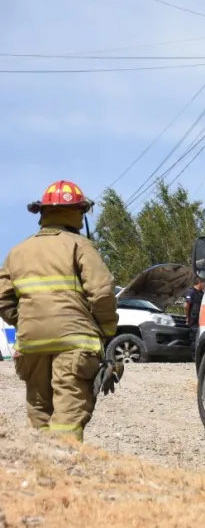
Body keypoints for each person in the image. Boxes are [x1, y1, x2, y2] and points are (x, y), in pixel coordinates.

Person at [0, 180, 119, 442]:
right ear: (78, 212)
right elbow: (101, 293)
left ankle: (40, 475)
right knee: (68, 416)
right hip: (74, 343)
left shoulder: (17, 251)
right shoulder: (80, 246)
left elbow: (3, 298)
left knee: (40, 413)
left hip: (31, 345)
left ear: (43, 213)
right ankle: (66, 471)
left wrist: (26, 322)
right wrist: (107, 330)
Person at [184, 277, 205, 357]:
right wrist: (187, 317)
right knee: (194, 336)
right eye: (204, 283)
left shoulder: (202, 293)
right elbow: (186, 306)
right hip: (194, 317)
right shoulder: (191, 292)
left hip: (201, 318)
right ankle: (194, 356)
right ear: (199, 282)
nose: (204, 285)